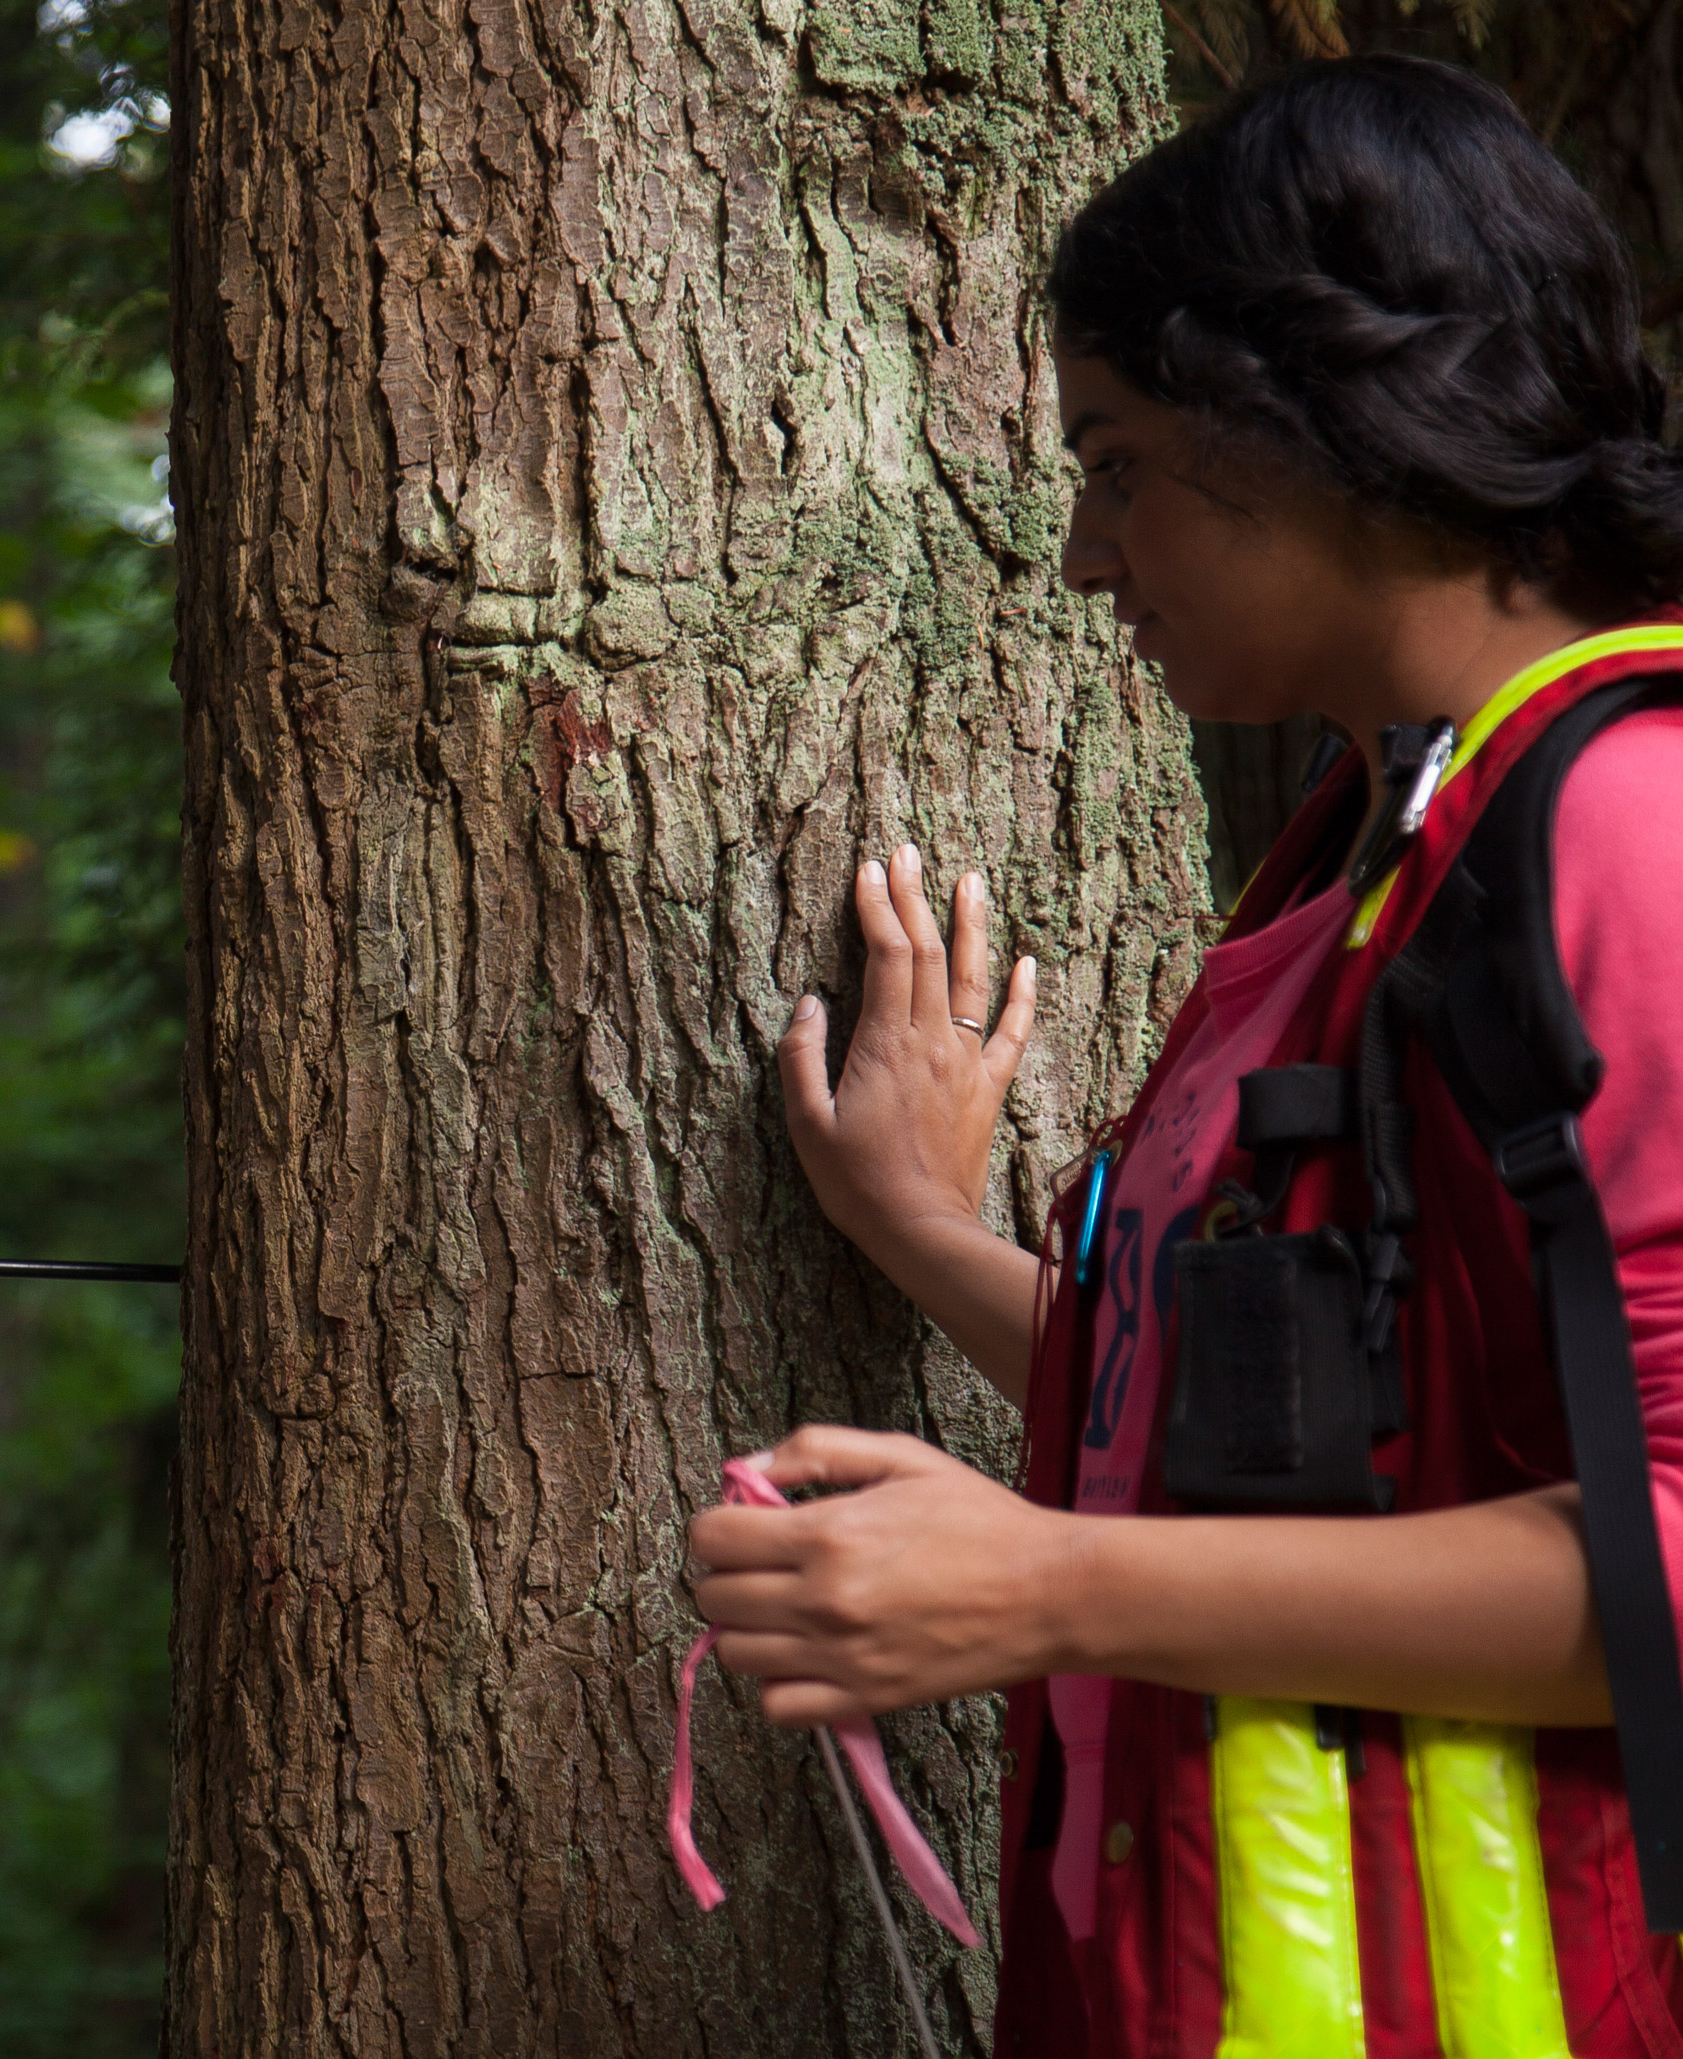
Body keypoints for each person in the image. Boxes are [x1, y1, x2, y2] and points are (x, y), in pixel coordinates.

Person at [688, 56, 1683, 2056]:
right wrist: (917, 1233)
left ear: (1310, 419)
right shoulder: (1373, 849)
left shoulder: (1631, 833)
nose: (1081, 554)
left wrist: (1059, 1589)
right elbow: (1334, 1446)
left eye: (1119, 460)